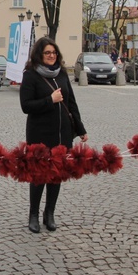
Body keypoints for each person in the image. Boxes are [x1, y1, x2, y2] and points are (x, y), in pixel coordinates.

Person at [20, 37, 88, 234]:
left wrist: (81, 129)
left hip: (62, 133)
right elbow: (26, 106)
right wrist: (50, 100)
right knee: (39, 175)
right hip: (40, 133)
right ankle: (33, 214)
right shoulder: (31, 75)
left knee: (56, 175)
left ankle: (49, 213)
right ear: (39, 55)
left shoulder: (62, 74)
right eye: (47, 53)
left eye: (54, 52)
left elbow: (71, 103)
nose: (52, 56)